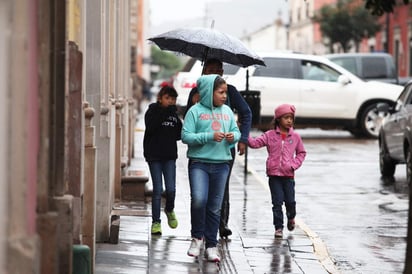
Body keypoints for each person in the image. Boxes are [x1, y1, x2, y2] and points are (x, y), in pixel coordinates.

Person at [183, 58, 252, 238]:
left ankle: (221, 225)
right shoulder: (195, 93)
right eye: (210, 70)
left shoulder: (230, 92)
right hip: (201, 153)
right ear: (204, 71)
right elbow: (188, 124)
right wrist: (194, 102)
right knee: (200, 195)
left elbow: (246, 112)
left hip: (224, 150)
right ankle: (200, 231)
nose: (214, 74)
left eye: (217, 71)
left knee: (221, 189)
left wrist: (242, 138)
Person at [182, 74, 241, 262]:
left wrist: (234, 136)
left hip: (222, 164)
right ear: (209, 92)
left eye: (225, 92)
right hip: (199, 163)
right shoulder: (194, 111)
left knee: (215, 207)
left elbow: (236, 131)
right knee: (199, 199)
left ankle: (212, 246)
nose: (224, 96)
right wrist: (208, 136)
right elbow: (186, 136)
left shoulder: (227, 112)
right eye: (220, 92)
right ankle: (197, 238)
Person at [247, 104, 306, 238]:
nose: (289, 120)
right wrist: (244, 133)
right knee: (277, 202)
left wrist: (293, 165)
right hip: (274, 176)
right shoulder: (269, 135)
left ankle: (291, 218)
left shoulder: (295, 137)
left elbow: (301, 153)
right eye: (286, 118)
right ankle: (278, 227)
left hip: (288, 176)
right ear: (278, 119)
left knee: (290, 201)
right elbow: (254, 143)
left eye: (291, 118)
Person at [143, 85, 182, 235]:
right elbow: (151, 127)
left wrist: (176, 118)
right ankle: (156, 222)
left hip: (169, 156)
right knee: (158, 189)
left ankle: (169, 209)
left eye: (173, 99)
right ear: (160, 98)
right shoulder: (152, 110)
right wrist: (164, 113)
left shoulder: (173, 115)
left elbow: (178, 135)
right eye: (167, 98)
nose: (170, 101)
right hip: (154, 156)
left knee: (171, 189)